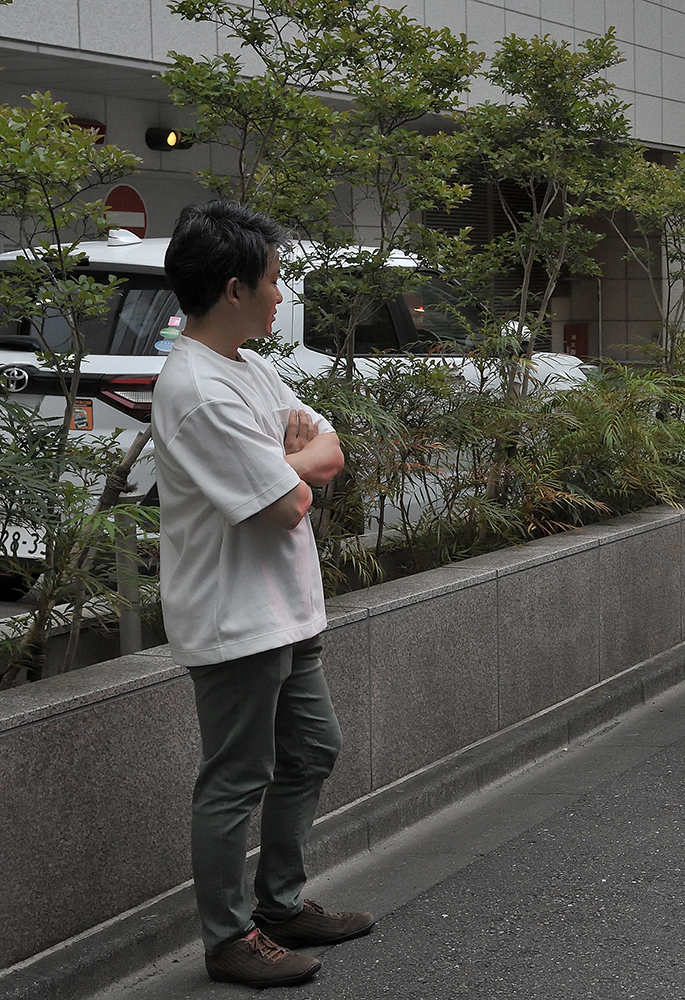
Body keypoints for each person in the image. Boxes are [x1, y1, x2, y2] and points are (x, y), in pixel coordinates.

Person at [155, 201, 373, 987]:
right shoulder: (197, 390)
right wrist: (299, 465)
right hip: (234, 618)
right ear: (234, 288)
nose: (281, 294)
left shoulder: (248, 366)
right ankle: (227, 938)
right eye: (274, 280)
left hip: (285, 609)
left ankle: (278, 904)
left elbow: (330, 449)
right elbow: (289, 503)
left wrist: (297, 461)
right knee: (235, 778)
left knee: (312, 749)